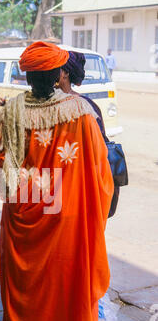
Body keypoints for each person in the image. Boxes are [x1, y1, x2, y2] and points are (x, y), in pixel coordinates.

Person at [0, 42, 114, 321]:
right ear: (60, 74)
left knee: (26, 284)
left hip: (21, 216)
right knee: (64, 287)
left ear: (28, 75)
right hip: (65, 218)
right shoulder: (81, 113)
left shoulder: (11, 111)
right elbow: (99, 175)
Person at [58, 50, 120, 217]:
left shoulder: (85, 107)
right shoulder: (88, 105)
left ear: (64, 74)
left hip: (74, 187)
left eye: (54, 68)